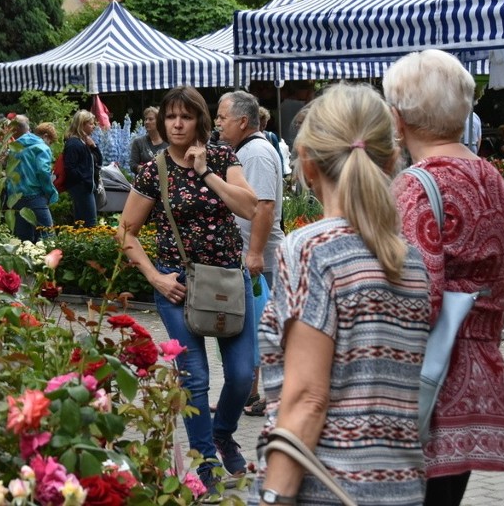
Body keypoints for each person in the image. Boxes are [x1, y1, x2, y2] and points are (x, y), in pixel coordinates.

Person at [257, 82, 431, 506]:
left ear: (308, 164)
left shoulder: (311, 249)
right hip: (402, 488)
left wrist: (271, 497)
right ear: (390, 160)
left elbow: (307, 399)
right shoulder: (410, 260)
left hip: (325, 488)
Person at [385, 49, 504, 506]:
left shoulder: (417, 186)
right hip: (478, 376)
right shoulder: (495, 181)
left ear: (398, 118)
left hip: (427, 384)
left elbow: (415, 298)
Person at [115, 85, 258, 500]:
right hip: (177, 284)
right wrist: (155, 277)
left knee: (242, 374)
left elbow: (250, 207)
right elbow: (126, 232)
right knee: (195, 378)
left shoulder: (222, 158)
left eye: (186, 116)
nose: (177, 124)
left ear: (200, 120)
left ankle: (222, 433)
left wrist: (205, 173)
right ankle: (204, 462)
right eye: (170, 117)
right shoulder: (152, 170)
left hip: (229, 280)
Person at [216, 91, 284, 418]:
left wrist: (254, 253)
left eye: (222, 118)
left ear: (243, 121)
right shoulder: (247, 149)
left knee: (262, 328)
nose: (217, 124)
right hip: (252, 256)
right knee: (253, 327)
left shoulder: (255, 153)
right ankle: (251, 393)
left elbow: (264, 206)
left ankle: (264, 395)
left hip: (260, 259)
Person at [5, 115, 58, 243]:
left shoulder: (13, 148)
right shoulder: (40, 147)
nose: (49, 144)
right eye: (50, 141)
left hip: (16, 198)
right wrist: (50, 192)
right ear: (45, 136)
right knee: (48, 238)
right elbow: (43, 171)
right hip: (35, 196)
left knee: (24, 241)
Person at [63, 110, 102, 227]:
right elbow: (70, 168)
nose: (94, 126)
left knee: (82, 222)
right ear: (82, 125)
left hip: (89, 187)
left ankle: (80, 243)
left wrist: (94, 146)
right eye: (91, 123)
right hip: (81, 188)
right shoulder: (73, 144)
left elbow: (98, 161)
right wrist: (84, 180)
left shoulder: (84, 142)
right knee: (90, 222)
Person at [129, 106, 168, 174]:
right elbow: (132, 165)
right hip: (145, 181)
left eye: (150, 119)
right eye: (146, 119)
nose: (147, 122)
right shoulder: (138, 142)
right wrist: (142, 168)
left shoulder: (169, 142)